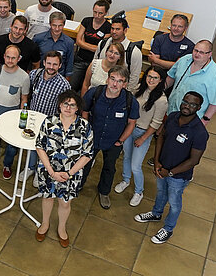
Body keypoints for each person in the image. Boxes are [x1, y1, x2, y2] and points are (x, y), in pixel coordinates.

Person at [134, 91, 208, 244]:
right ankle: (156, 213)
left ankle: (168, 229)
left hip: (178, 176)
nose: (187, 106)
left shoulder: (200, 132)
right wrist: (156, 161)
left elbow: (194, 160)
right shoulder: (173, 117)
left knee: (174, 202)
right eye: (185, 102)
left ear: (199, 108)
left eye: (192, 104)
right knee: (161, 192)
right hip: (162, 167)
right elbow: (161, 136)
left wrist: (171, 173)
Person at [35, 90, 93, 247]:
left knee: (65, 203)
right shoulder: (49, 122)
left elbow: (87, 154)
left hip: (71, 175)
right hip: (48, 171)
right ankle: (45, 224)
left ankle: (62, 228)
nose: (68, 108)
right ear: (60, 105)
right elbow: (39, 146)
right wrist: (51, 171)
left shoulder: (84, 126)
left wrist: (69, 173)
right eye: (65, 104)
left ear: (77, 108)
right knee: (47, 197)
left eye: (72, 105)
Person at [82, 65, 140, 209]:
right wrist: (86, 131)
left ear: (125, 84)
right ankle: (78, 185)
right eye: (113, 79)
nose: (115, 84)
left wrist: (120, 141)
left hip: (114, 141)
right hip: (92, 138)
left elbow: (131, 123)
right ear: (107, 79)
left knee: (109, 167)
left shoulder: (130, 101)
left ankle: (104, 192)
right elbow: (84, 111)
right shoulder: (95, 93)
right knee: (84, 163)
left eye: (120, 81)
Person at [114, 66, 168, 206]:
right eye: (149, 76)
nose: (151, 80)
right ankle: (125, 180)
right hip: (129, 129)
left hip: (143, 133)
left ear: (160, 80)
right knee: (126, 157)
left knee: (136, 165)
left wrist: (143, 138)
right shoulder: (139, 89)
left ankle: (139, 191)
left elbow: (156, 123)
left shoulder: (161, 100)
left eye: (155, 78)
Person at [0, 45, 31, 178]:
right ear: (3, 56)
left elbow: (24, 98)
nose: (10, 60)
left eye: (13, 58)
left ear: (19, 59)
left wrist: (22, 115)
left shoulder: (24, 77)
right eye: (8, 57)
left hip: (12, 116)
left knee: (12, 145)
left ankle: (7, 164)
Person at [21, 51, 71, 181]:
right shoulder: (34, 74)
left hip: (49, 123)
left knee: (45, 148)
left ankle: (40, 172)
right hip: (32, 118)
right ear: (44, 63)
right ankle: (30, 167)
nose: (51, 67)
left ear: (60, 65)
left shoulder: (64, 85)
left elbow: (66, 107)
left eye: (55, 64)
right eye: (49, 63)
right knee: (32, 145)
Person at [165, 40, 216, 126]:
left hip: (190, 121)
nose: (197, 54)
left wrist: (204, 121)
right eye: (195, 50)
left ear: (209, 54)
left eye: (201, 52)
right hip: (170, 111)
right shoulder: (184, 60)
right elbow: (171, 77)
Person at [71, 0, 112, 91]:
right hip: (80, 59)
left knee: (89, 87)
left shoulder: (108, 27)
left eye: (100, 13)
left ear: (106, 13)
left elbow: (102, 48)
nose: (97, 16)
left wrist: (84, 44)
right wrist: (94, 47)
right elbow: (78, 41)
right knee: (72, 85)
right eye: (95, 12)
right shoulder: (86, 21)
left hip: (95, 62)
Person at [94, 17, 143, 93]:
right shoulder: (102, 43)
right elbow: (95, 63)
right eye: (112, 28)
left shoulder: (134, 52)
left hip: (119, 91)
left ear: (125, 30)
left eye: (117, 29)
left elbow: (134, 76)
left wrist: (126, 93)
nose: (114, 32)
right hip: (97, 85)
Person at [32, 11, 74, 77]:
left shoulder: (69, 42)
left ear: (64, 25)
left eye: (60, 26)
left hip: (59, 76)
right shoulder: (38, 39)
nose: (57, 29)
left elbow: (69, 64)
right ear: (50, 24)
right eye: (54, 25)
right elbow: (32, 60)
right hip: (41, 75)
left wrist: (67, 79)